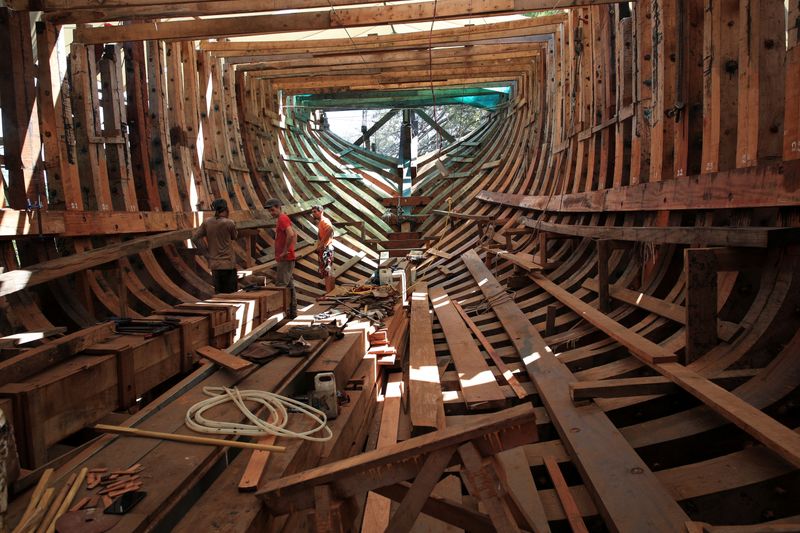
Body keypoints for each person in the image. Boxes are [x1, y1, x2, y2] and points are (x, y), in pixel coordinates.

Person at [192, 198, 238, 294]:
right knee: (231, 295)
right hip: (228, 265)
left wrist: (206, 253)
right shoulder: (229, 223)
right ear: (226, 209)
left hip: (214, 265)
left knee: (218, 293)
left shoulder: (207, 222)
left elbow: (195, 238)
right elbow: (234, 236)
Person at [265, 198, 297, 318]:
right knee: (289, 286)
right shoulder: (282, 218)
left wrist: (285, 251)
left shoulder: (282, 218)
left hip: (285, 259)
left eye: (272, 210)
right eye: (270, 211)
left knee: (281, 287)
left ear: (278, 207)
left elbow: (291, 234)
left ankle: (279, 315)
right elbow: (295, 234)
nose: (271, 213)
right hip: (286, 258)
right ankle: (292, 313)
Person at [311, 205, 335, 293]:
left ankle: (328, 293)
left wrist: (322, 244)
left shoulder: (324, 221)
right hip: (327, 249)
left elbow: (330, 230)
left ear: (321, 211)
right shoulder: (322, 221)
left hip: (326, 249)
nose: (313, 214)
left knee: (326, 272)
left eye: (315, 212)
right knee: (327, 271)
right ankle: (329, 292)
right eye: (312, 212)